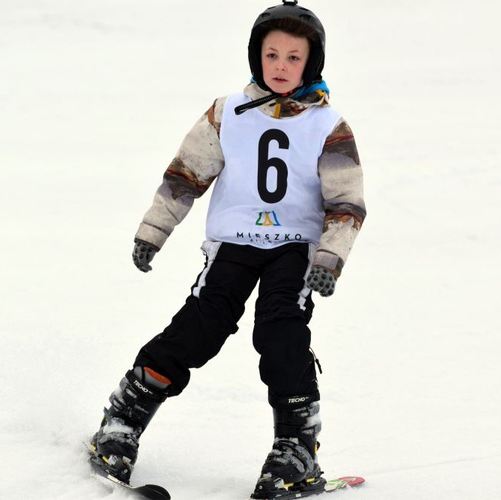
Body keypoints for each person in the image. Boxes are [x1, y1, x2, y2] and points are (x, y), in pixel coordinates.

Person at [88, 1, 366, 498]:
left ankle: (296, 448)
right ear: (256, 56)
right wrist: (153, 231)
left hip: (294, 248)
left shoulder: (328, 125)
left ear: (313, 62)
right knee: (197, 329)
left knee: (281, 332)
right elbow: (185, 176)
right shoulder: (228, 113)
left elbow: (345, 200)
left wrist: (330, 256)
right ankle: (123, 420)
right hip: (234, 243)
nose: (280, 66)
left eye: (293, 58)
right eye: (271, 54)